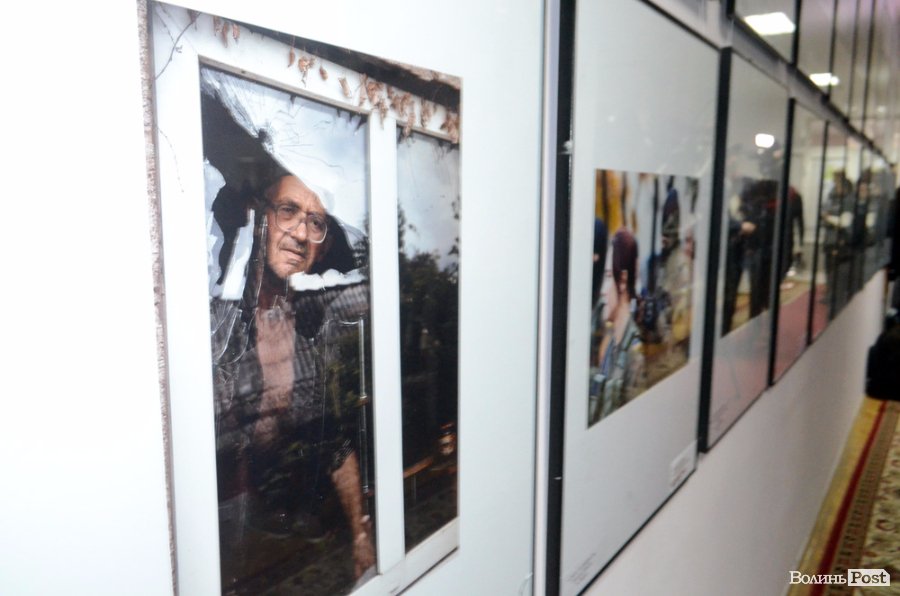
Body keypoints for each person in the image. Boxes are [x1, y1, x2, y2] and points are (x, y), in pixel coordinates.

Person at [210, 172, 376, 587]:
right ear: (259, 218)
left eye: (315, 222)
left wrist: (360, 533)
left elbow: (332, 441)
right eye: (288, 211)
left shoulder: (307, 328)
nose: (301, 233)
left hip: (274, 546)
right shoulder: (216, 319)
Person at [588, 228, 646, 424]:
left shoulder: (635, 352)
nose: (603, 291)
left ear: (622, 280)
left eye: (607, 277)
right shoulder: (611, 342)